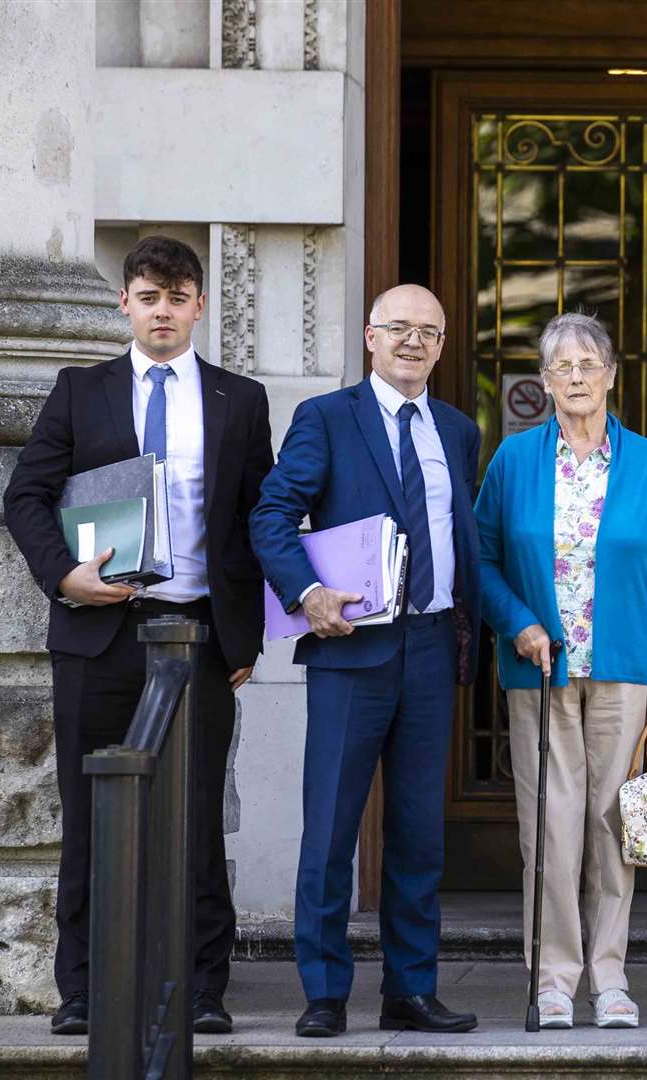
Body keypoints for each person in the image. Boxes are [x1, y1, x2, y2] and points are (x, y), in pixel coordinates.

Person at [3, 235, 273, 1037]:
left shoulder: (239, 399)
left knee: (195, 819)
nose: (163, 311)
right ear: (126, 303)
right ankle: (84, 988)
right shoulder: (79, 390)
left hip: (198, 634)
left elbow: (259, 519)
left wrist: (246, 640)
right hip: (97, 631)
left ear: (199, 305)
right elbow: (27, 495)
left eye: (177, 296)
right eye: (148, 297)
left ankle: (202, 989)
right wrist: (63, 576)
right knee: (89, 813)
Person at [250, 284, 482, 1038]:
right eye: (399, 329)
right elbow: (272, 514)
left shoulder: (457, 429)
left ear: (442, 346)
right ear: (370, 339)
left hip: (430, 646)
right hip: (353, 650)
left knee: (418, 833)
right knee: (331, 830)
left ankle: (410, 990)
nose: (413, 342)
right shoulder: (327, 417)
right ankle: (324, 993)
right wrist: (306, 592)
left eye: (428, 332)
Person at [475, 312, 647, 1029]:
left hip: (626, 669)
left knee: (612, 825)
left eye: (589, 364)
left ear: (611, 376)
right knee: (550, 827)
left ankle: (610, 975)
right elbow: (481, 559)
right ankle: (554, 979)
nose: (575, 377)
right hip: (539, 669)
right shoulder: (512, 461)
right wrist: (518, 623)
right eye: (561, 366)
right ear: (543, 381)